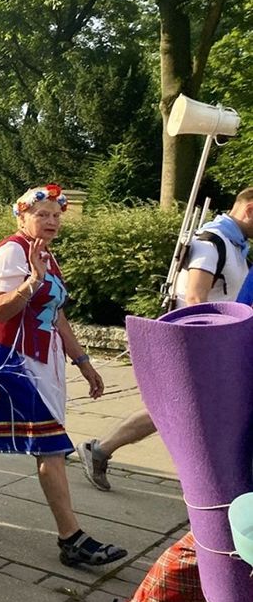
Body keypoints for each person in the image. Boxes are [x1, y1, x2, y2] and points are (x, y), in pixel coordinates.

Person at [0, 184, 126, 567]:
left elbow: (56, 314)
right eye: (42, 214)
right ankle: (72, 537)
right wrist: (32, 280)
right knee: (50, 444)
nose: (52, 221)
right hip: (8, 358)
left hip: (37, 357)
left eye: (56, 215)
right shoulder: (12, 252)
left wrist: (84, 362)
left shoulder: (45, 255)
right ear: (22, 217)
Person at [77, 186, 253, 492]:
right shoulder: (212, 242)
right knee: (174, 409)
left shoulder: (234, 244)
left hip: (214, 345)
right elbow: (195, 298)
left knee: (177, 410)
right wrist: (215, 348)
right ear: (250, 210)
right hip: (198, 344)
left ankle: (102, 450)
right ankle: (102, 450)